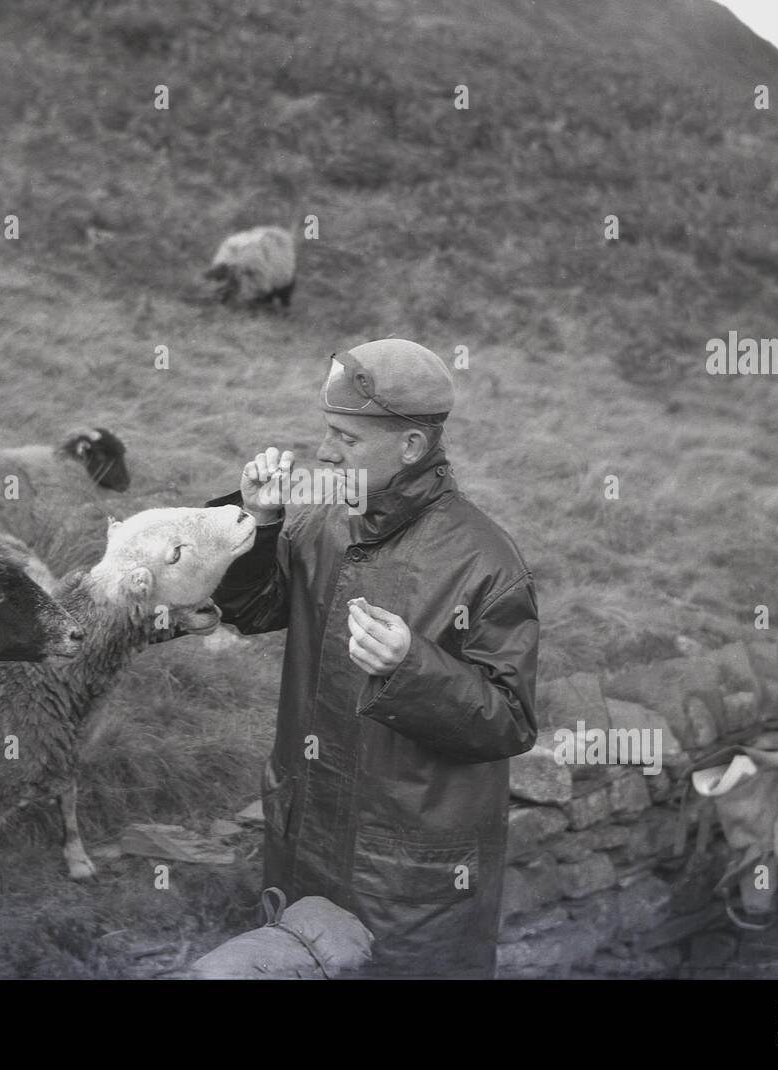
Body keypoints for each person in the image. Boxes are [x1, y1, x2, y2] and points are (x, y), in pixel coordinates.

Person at [207, 337, 540, 978]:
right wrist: (259, 522)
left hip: (405, 887)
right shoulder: (325, 520)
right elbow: (251, 610)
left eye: (348, 439)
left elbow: (511, 720)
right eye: (327, 431)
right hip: (305, 848)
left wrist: (413, 669)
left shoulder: (486, 563)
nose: (326, 451)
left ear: (412, 446)